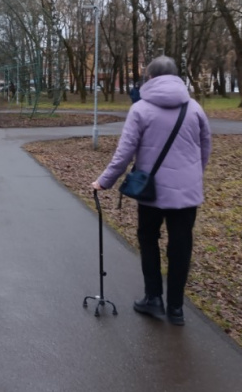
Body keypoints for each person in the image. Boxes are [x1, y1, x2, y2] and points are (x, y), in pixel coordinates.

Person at [91, 56, 212, 326]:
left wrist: (104, 181)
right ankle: (177, 309)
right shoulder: (194, 108)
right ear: (176, 77)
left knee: (148, 239)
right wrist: (194, 175)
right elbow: (206, 147)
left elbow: (124, 153)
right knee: (181, 246)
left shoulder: (140, 109)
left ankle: (153, 298)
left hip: (152, 192)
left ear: (150, 79)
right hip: (187, 193)